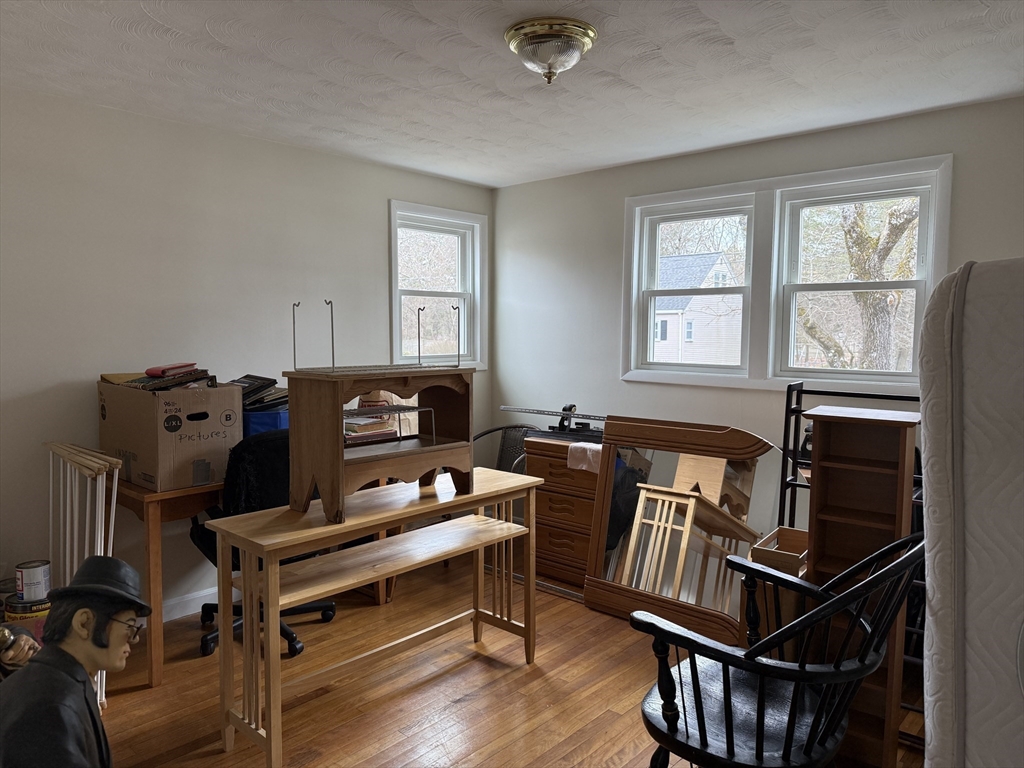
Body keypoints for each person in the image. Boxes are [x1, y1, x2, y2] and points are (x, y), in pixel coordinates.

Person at [0, 556, 151, 768]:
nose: (134, 640)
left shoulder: (69, 680)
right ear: (84, 623)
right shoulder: (53, 711)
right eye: (129, 627)